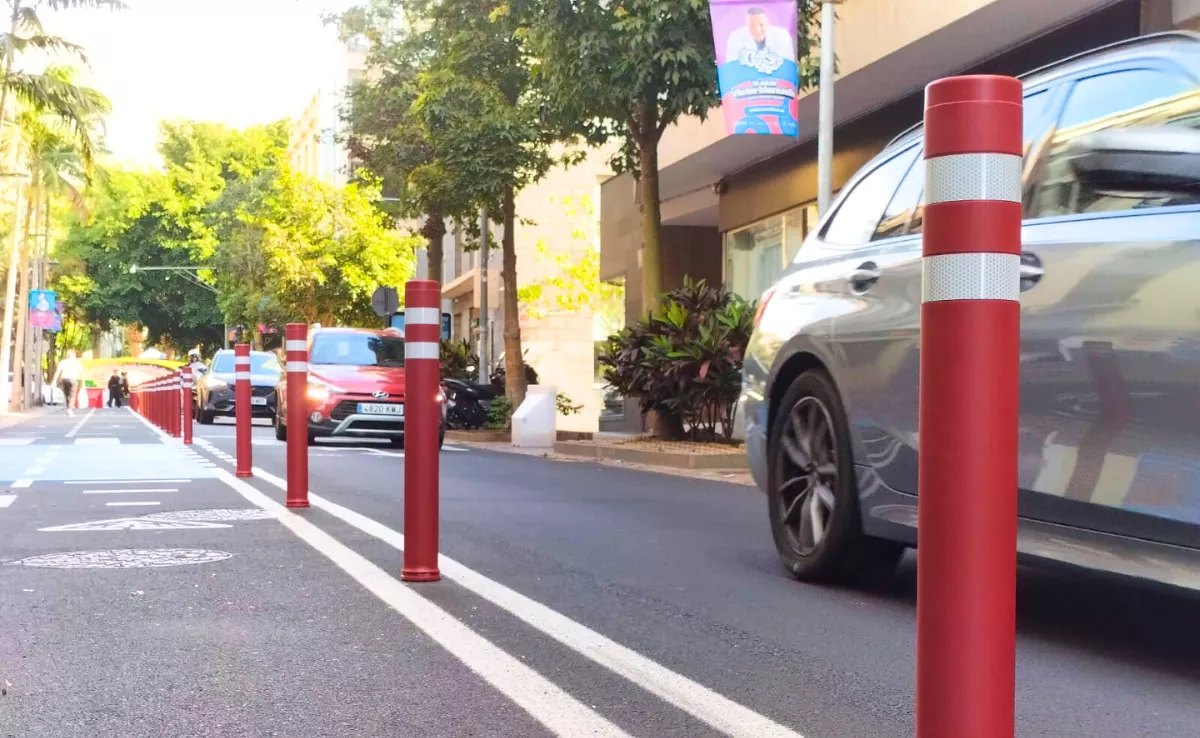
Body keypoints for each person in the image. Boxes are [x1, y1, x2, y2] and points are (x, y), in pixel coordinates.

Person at [724, 7, 795, 64]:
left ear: (768, 22)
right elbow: (732, 69)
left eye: (761, 25)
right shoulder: (735, 38)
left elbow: (788, 66)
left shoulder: (782, 36)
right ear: (746, 25)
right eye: (752, 26)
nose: (757, 30)